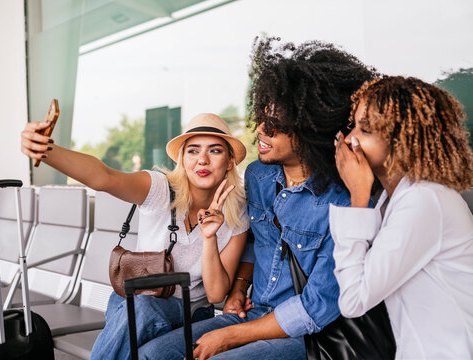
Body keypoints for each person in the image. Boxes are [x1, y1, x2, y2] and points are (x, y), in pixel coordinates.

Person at [138, 37, 378, 359]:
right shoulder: (258, 176)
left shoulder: (345, 205)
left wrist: (230, 336)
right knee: (154, 354)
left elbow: (314, 309)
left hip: (305, 334)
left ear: (310, 129)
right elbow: (257, 240)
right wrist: (238, 288)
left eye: (275, 125)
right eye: (261, 117)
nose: (260, 131)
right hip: (253, 313)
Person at [20, 113, 250, 360]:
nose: (202, 160)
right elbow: (103, 177)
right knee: (141, 310)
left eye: (214, 151)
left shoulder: (236, 216)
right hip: (135, 303)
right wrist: (46, 151)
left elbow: (216, 295)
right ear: (183, 159)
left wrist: (210, 237)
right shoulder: (159, 189)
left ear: (229, 161)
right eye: (193, 151)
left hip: (188, 312)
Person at [331, 76, 473, 359]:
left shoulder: (425, 201)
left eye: (366, 129)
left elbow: (354, 299)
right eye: (353, 126)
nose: (350, 140)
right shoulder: (395, 198)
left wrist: (358, 196)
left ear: (402, 140)